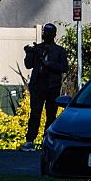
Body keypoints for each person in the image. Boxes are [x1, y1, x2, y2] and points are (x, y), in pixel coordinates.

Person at [21, 22, 68, 150]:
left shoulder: (59, 51)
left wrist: (47, 63)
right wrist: (29, 53)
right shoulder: (38, 49)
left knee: (51, 114)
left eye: (48, 33)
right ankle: (30, 140)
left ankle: (47, 140)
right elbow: (28, 65)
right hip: (38, 85)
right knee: (35, 113)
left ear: (54, 35)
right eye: (44, 33)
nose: (45, 35)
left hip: (52, 86)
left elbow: (63, 67)